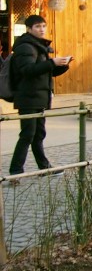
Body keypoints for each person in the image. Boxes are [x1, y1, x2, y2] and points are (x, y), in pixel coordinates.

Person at [8, 15, 71, 176]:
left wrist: (62, 66)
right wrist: (52, 63)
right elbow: (27, 70)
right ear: (29, 29)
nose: (42, 29)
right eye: (37, 27)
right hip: (28, 96)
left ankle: (44, 167)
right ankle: (16, 170)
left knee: (38, 134)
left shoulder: (37, 46)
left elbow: (43, 71)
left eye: (43, 26)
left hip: (38, 96)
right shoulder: (26, 47)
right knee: (28, 134)